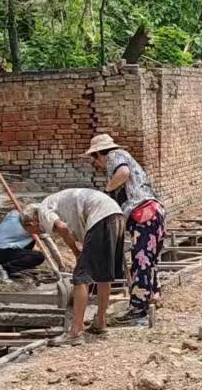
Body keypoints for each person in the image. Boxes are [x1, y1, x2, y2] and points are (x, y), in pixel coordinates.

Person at [24, 186, 123, 342]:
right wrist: (78, 252)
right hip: (115, 214)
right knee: (103, 274)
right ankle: (100, 322)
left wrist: (77, 253)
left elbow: (62, 228)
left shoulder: (43, 209)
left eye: (34, 231)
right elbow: (67, 229)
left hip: (100, 216)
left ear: (31, 222)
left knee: (80, 277)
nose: (38, 232)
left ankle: (76, 330)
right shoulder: (54, 203)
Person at [84, 132, 166, 320]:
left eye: (95, 160)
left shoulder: (114, 156)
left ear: (98, 154)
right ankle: (153, 295)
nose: (97, 165)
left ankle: (138, 308)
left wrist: (106, 191)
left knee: (141, 260)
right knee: (150, 259)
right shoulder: (125, 157)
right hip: (154, 211)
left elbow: (123, 173)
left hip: (144, 213)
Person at [0, 208, 45, 280]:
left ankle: (17, 266)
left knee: (32, 239)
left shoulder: (14, 217)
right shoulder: (21, 230)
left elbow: (14, 211)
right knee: (38, 256)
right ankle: (1, 269)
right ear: (30, 224)